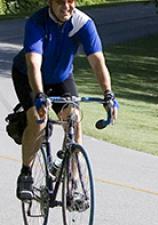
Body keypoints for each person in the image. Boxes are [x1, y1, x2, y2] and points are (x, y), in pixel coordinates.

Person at [13, 0, 118, 201]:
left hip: (61, 78)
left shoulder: (83, 23)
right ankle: (26, 173)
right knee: (38, 119)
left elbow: (98, 62)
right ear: (50, 2)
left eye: (71, 1)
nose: (67, 7)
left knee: (74, 119)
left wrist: (108, 94)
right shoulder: (37, 22)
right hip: (29, 77)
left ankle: (73, 184)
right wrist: (39, 95)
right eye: (61, 2)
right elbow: (33, 64)